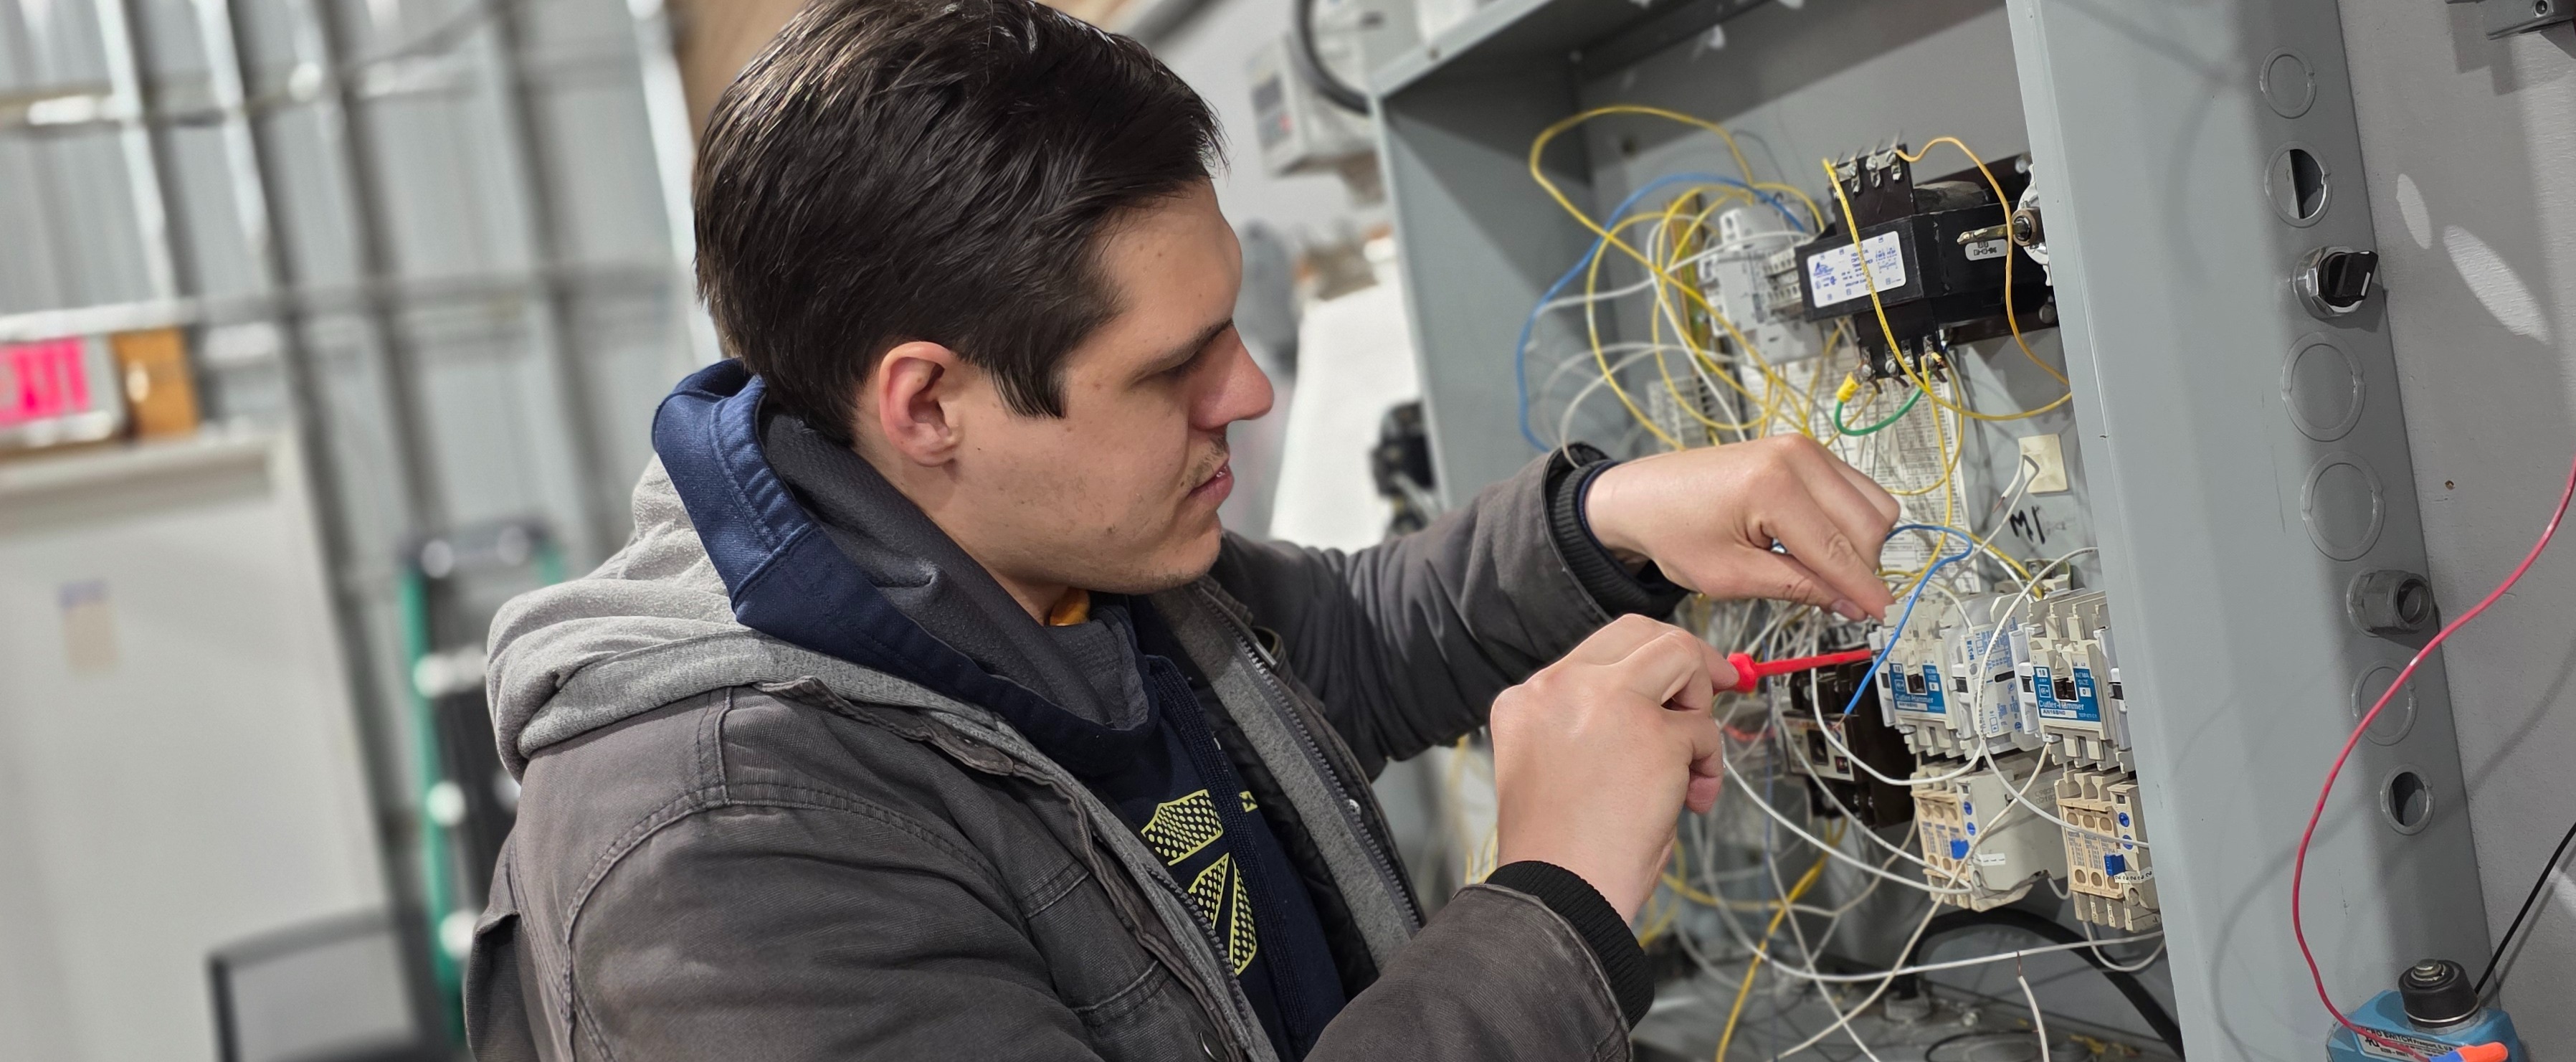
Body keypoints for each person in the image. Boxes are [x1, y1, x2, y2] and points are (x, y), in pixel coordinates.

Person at [467, 1, 1898, 1058]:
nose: (1252, 390)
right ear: (927, 405)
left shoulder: (1041, 562)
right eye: (1172, 368)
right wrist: (1552, 900)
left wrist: (1606, 521)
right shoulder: (724, 849)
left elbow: (1324, 646)